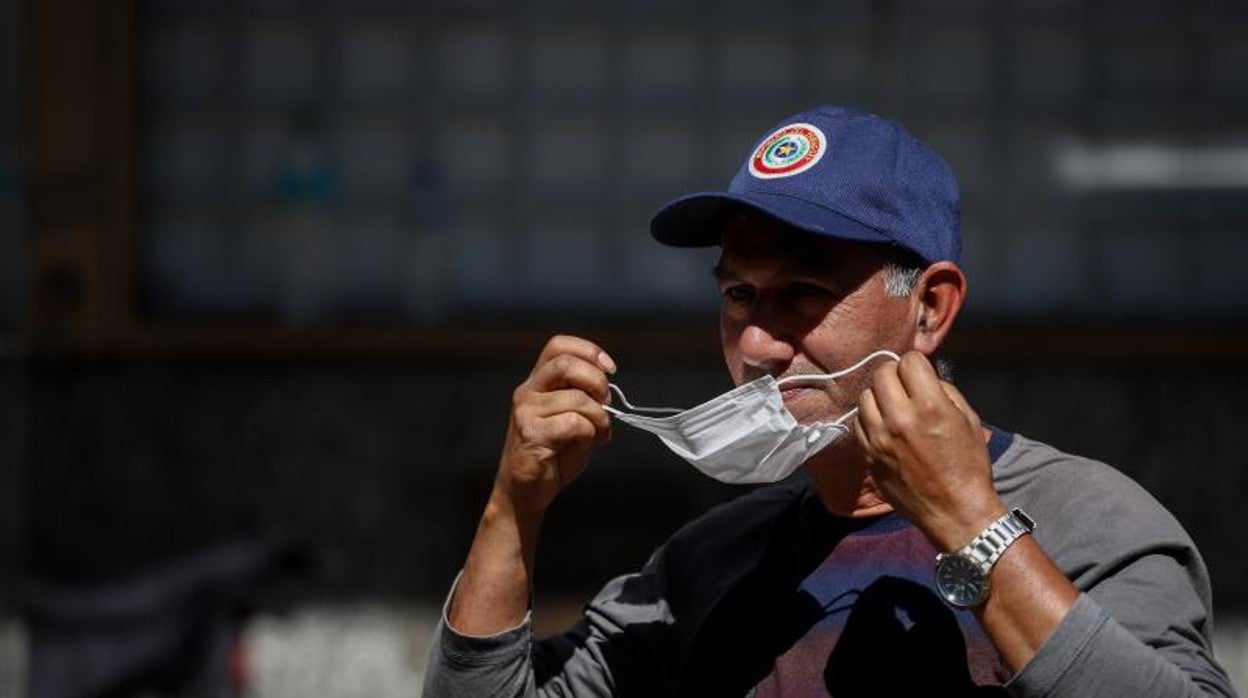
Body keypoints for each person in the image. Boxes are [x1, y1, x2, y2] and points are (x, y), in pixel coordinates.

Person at [422, 106, 1236, 696]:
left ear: (930, 309)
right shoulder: (709, 564)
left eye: (803, 294)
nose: (757, 343)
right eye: (739, 295)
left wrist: (973, 532)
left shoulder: (1088, 521)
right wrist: (513, 509)